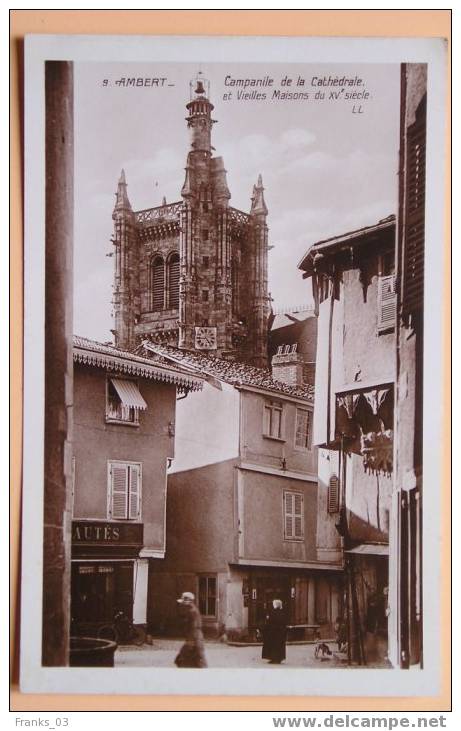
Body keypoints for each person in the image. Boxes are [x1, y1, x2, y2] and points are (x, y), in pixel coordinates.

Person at [174, 591, 207, 668]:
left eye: (183, 602)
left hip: (194, 640)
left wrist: (190, 643)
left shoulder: (192, 612)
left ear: (188, 601)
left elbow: (194, 628)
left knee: (195, 663)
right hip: (195, 640)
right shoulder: (192, 611)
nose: (181, 605)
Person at [261, 598, 287, 664]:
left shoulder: (273, 612)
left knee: (273, 645)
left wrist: (267, 619)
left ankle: (273, 658)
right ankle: (279, 658)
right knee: (279, 645)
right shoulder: (283, 612)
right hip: (281, 632)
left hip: (273, 632)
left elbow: (270, 621)